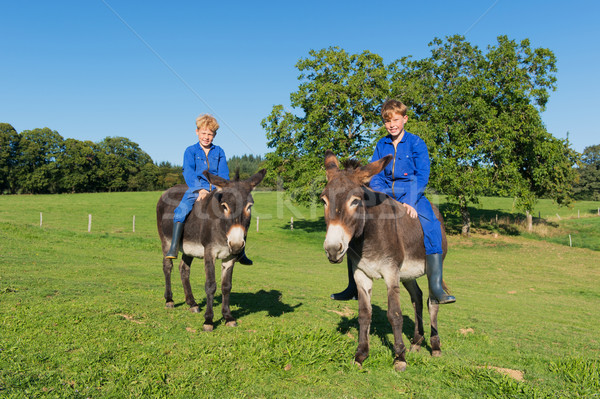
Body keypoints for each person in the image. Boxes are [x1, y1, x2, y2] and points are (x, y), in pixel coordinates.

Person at [331, 99, 455, 304]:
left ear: (405, 119)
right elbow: (376, 173)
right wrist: (382, 195)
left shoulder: (416, 143)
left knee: (432, 224)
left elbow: (422, 175)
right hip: (385, 192)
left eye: (396, 120)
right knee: (355, 220)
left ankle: (436, 287)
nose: (392, 125)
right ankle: (352, 286)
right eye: (387, 121)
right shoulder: (382, 144)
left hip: (412, 193)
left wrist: (410, 201)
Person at [165, 114, 253, 265]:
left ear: (214, 135)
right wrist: (199, 190)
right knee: (181, 209)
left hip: (217, 189)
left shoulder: (219, 152)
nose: (206, 137)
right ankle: (173, 246)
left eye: (210, 134)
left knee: (238, 211)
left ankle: (240, 251)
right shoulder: (190, 151)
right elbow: (188, 172)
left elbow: (224, 173)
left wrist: (222, 189)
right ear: (197, 132)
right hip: (195, 189)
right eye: (203, 133)